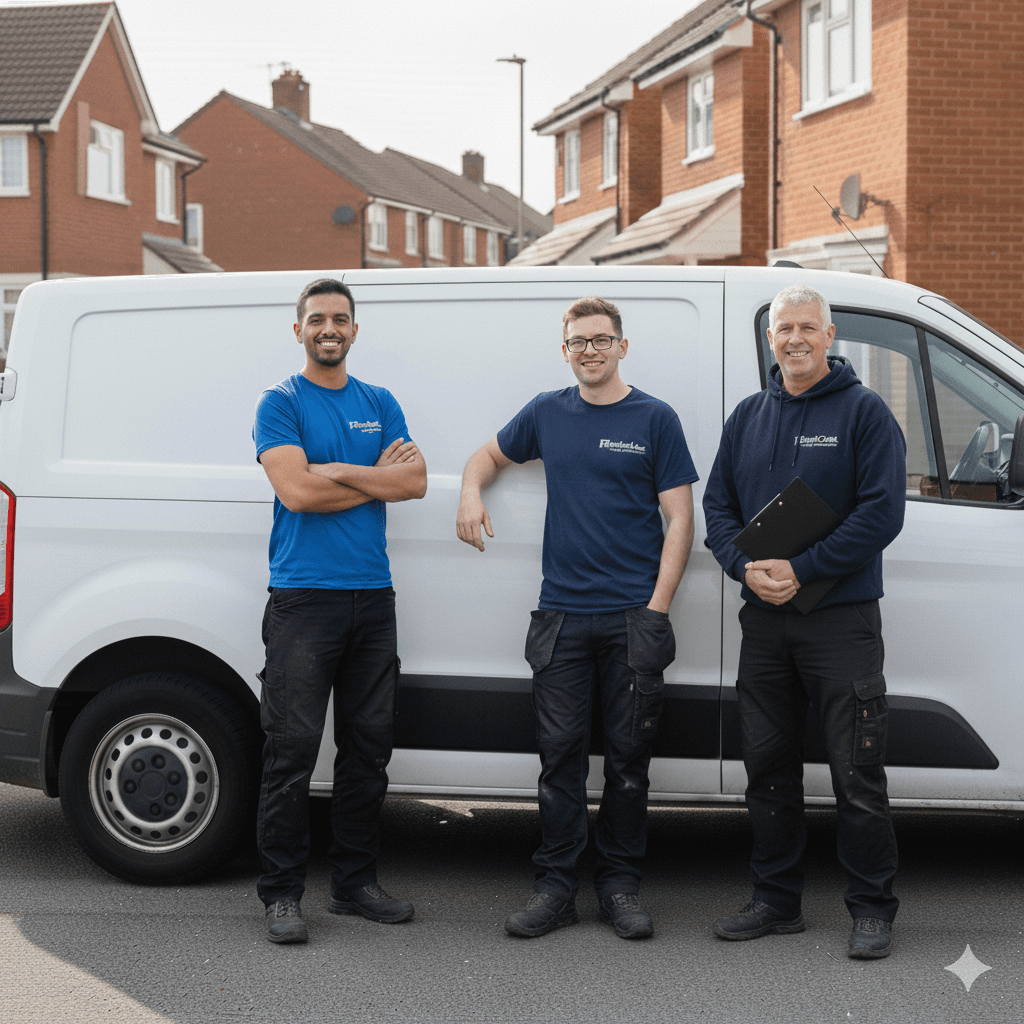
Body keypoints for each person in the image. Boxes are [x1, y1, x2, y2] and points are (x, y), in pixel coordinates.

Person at [456, 297, 697, 940]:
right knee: (559, 758)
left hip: (631, 620)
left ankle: (619, 886)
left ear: (623, 345)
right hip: (560, 618)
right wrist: (470, 491)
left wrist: (656, 609)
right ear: (565, 351)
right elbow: (485, 456)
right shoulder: (546, 412)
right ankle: (557, 886)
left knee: (627, 760)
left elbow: (680, 519)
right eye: (578, 341)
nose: (590, 349)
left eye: (601, 338)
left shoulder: (655, 418)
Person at [703, 284, 906, 959]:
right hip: (764, 621)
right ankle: (775, 900)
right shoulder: (747, 417)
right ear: (770, 339)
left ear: (830, 334)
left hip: (841, 621)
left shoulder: (866, 413)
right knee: (766, 763)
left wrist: (805, 568)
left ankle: (872, 907)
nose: (795, 338)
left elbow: (881, 515)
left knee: (857, 767)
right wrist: (742, 567)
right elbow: (718, 507)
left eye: (807, 327)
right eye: (784, 327)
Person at [253, 278, 427, 944]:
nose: (330, 328)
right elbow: (295, 493)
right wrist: (364, 475)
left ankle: (354, 885)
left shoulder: (379, 401)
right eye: (318, 319)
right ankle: (281, 894)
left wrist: (334, 471)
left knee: (367, 750)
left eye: (341, 319)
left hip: (371, 599)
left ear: (356, 330)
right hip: (303, 599)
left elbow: (412, 481)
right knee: (291, 751)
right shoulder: (280, 402)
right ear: (298, 330)